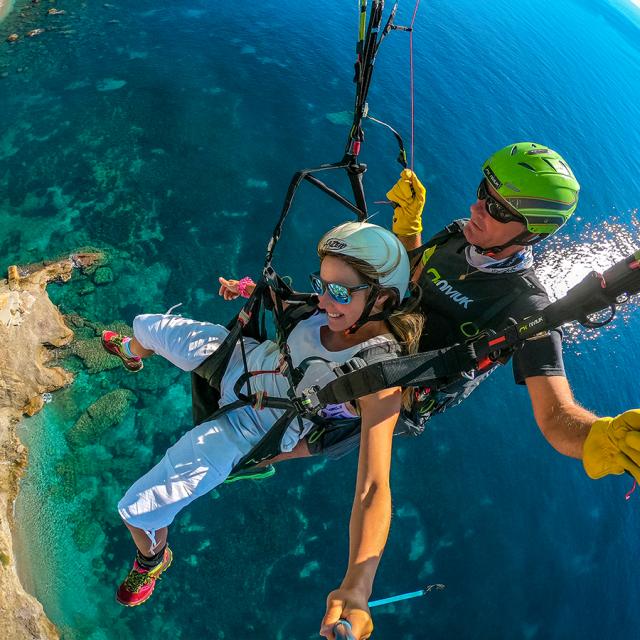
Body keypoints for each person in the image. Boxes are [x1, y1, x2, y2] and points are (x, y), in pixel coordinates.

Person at [275, 142, 640, 639]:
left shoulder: (527, 309)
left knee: (280, 443)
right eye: (481, 192)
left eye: (496, 207)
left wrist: (601, 436)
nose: (476, 208)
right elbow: (408, 283)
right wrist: (408, 228)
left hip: (393, 395)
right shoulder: (454, 240)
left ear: (531, 230)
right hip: (369, 343)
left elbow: (557, 417)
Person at [102, 221, 423, 639]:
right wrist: (250, 289)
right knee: (146, 325)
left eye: (339, 292)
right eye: (321, 283)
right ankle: (132, 352)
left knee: (138, 508)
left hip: (250, 427)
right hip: (244, 360)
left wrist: (356, 588)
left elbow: (373, 489)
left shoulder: (377, 379)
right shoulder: (332, 306)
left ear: (382, 299)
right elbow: (289, 303)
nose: (325, 299)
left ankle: (153, 559)